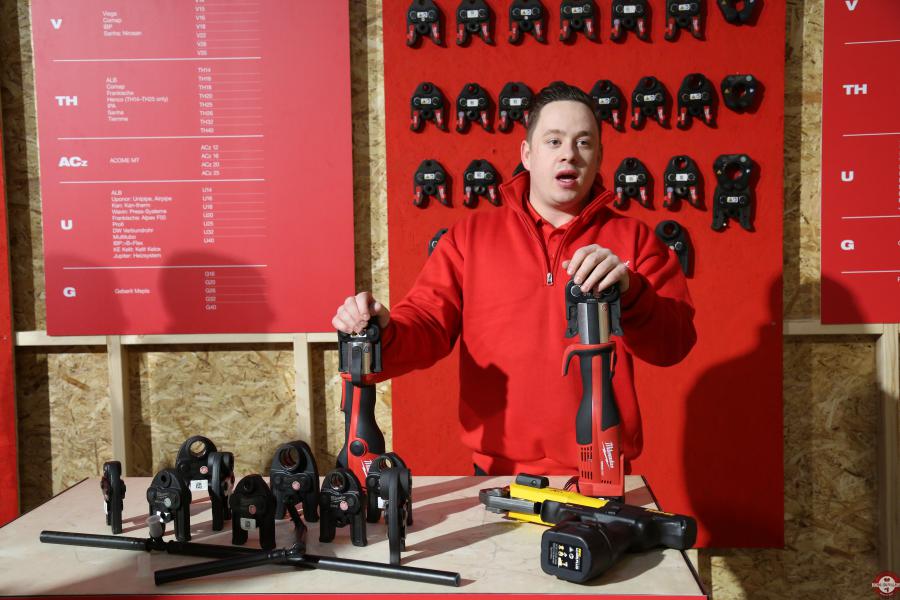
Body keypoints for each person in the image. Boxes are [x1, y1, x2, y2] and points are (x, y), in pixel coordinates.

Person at [333, 82, 696, 475]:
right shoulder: (469, 238)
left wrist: (632, 293)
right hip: (496, 474)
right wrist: (382, 330)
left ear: (599, 156)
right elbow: (426, 324)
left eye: (584, 142)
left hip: (602, 471)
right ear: (527, 153)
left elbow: (674, 343)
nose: (569, 154)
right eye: (553, 141)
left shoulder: (634, 240)